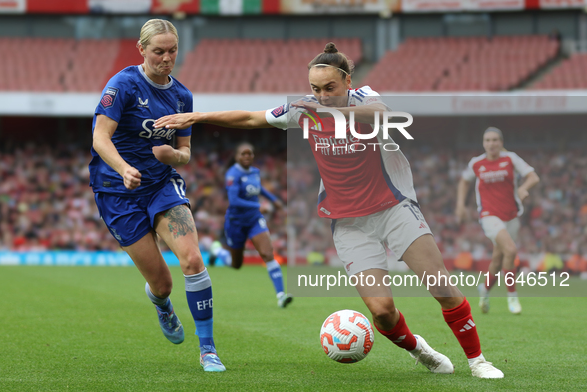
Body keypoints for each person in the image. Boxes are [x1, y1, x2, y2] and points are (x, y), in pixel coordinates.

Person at [155, 42, 504, 378]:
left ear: (347, 82)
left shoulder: (365, 97)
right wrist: (197, 116)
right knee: (382, 312)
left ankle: (478, 361)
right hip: (349, 223)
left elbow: (381, 114)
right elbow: (249, 118)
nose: (321, 95)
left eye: (329, 87)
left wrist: (329, 110)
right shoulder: (303, 109)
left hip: (393, 208)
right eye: (315, 89)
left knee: (440, 286)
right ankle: (419, 350)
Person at [89, 19, 225, 372]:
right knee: (162, 284)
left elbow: (185, 152)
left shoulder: (182, 95)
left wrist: (172, 157)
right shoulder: (123, 86)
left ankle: (207, 349)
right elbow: (100, 137)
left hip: (162, 186)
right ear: (142, 49)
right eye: (158, 51)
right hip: (117, 191)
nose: (166, 58)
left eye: (172, 51)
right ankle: (162, 305)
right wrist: (123, 168)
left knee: (193, 260)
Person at [456, 127, 539, 315]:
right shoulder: (476, 163)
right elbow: (463, 181)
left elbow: (533, 177)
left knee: (498, 258)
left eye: (495, 140)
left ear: (501, 142)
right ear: (483, 143)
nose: (491, 143)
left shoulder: (511, 158)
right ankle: (512, 298)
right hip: (489, 215)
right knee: (510, 250)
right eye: (487, 140)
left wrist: (524, 188)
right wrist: (460, 204)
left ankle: (484, 290)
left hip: (511, 215)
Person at [209, 142, 292, 308]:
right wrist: (258, 205)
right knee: (236, 264)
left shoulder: (255, 172)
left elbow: (258, 188)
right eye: (243, 154)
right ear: (237, 157)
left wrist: (274, 200)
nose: (247, 157)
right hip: (236, 222)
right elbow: (234, 201)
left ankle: (281, 295)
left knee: (268, 254)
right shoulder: (232, 174)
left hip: (254, 220)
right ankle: (217, 251)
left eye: (250, 154)